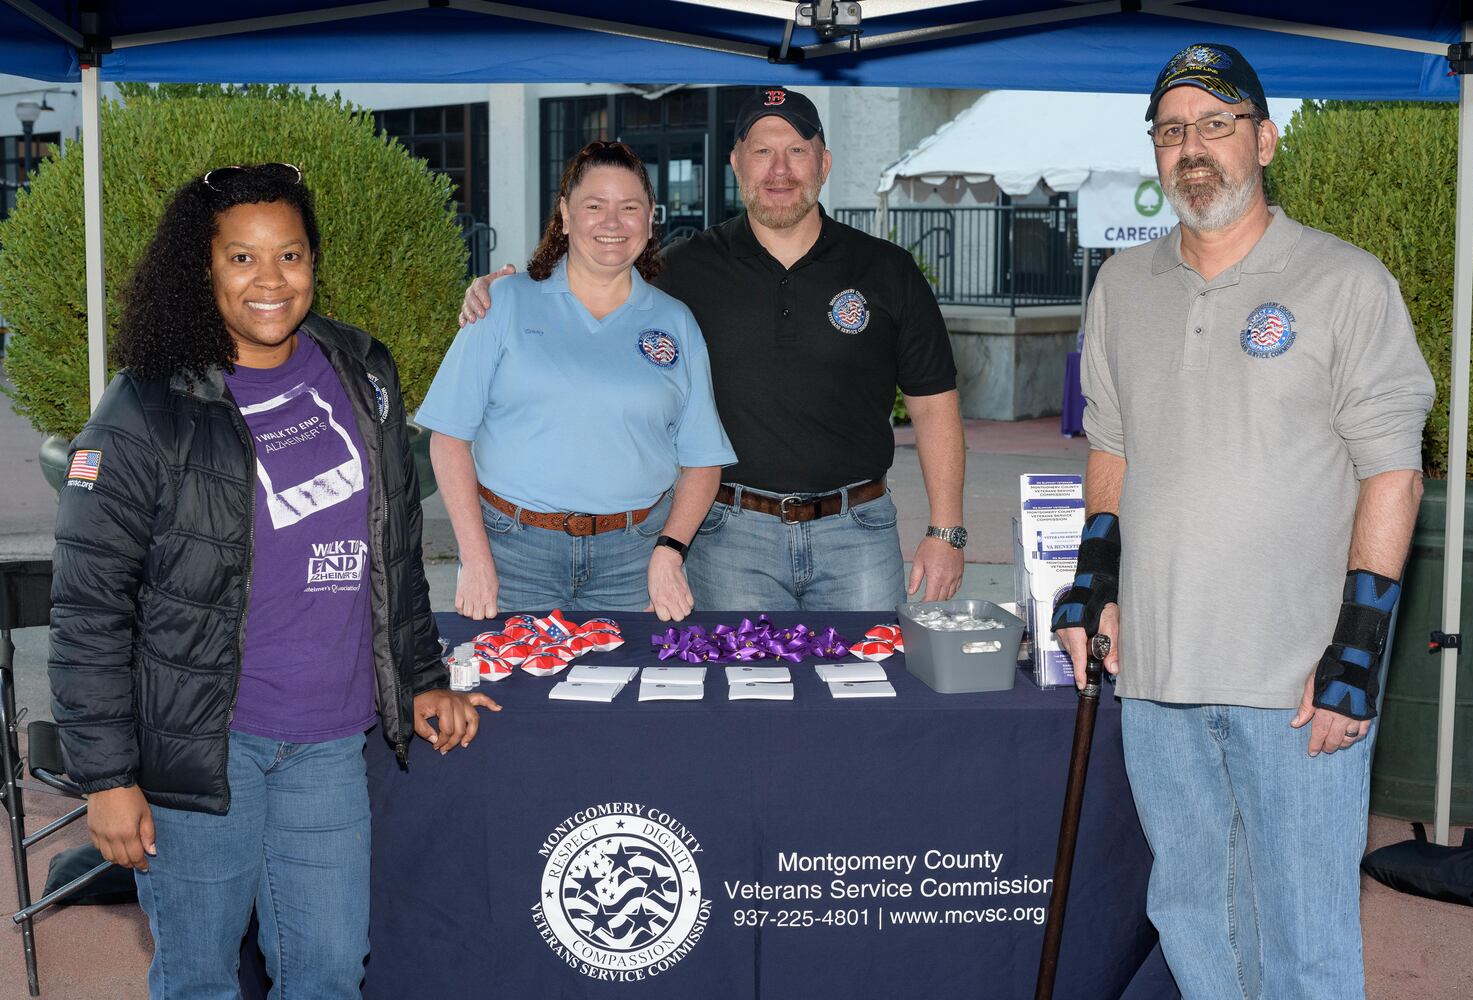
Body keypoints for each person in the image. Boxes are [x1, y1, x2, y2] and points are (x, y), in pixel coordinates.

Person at [48, 162, 498, 999]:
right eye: (241, 258)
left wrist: (424, 678)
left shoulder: (361, 367)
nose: (270, 281)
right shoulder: (146, 408)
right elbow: (88, 607)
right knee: (199, 979)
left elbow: (392, 546)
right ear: (202, 269)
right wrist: (107, 778)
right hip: (203, 745)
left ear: (314, 262)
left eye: (289, 256)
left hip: (329, 739)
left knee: (329, 972)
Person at [1052, 44, 1435, 999]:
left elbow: (1394, 471)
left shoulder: (1346, 282)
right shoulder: (1120, 288)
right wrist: (1093, 583)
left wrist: (1357, 649)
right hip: (1159, 673)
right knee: (1192, 919)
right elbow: (1113, 448)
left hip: (1297, 679)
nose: (1194, 149)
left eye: (1217, 125)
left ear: (1264, 140)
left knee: (1303, 936)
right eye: (1172, 130)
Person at [461, 88, 966, 613]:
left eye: (797, 150)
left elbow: (935, 406)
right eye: (761, 151)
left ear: (824, 163)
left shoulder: (888, 270)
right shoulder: (682, 270)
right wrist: (502, 286)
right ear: (736, 164)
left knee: (870, 688)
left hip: (859, 532)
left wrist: (947, 531)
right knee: (742, 694)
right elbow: (594, 272)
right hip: (727, 537)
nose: (779, 169)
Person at [418, 140, 735, 621]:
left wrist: (669, 551)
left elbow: (703, 461)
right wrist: (476, 557)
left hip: (633, 561)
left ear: (651, 220)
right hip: (512, 556)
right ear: (565, 215)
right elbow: (449, 439)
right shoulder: (501, 303)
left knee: (632, 693)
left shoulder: (676, 322)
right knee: (511, 695)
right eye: (594, 206)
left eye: (629, 208)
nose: (612, 223)